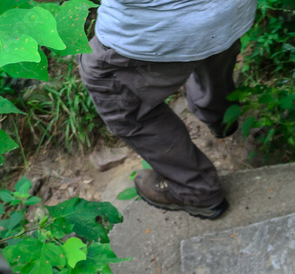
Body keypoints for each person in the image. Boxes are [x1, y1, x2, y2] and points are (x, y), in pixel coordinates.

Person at [79, 0, 257, 219]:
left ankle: (197, 190)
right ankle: (221, 119)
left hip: (154, 28)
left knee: (117, 96)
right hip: (231, 10)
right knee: (215, 53)